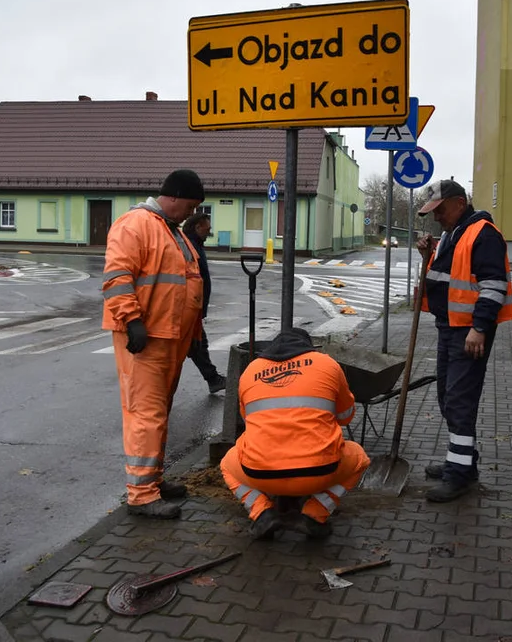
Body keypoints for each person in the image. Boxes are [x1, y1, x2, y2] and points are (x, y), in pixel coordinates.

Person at [102, 169, 207, 519]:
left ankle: (154, 480)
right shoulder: (135, 225)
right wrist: (132, 321)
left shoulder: (171, 231)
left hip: (170, 338)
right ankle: (142, 494)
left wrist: (195, 333)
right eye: (190, 206)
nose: (190, 214)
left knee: (158, 414)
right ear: (174, 196)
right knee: (145, 414)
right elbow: (117, 277)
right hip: (146, 338)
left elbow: (186, 287)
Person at [415, 179, 512, 503]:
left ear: (459, 204)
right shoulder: (452, 234)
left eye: (440, 210)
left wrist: (479, 328)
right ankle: (464, 463)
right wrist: (428, 254)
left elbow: (493, 287)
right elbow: (448, 277)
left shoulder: (483, 234)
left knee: (459, 401)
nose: (436, 217)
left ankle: (457, 476)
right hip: (450, 328)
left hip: (468, 332)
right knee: (447, 395)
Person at [219, 327, 371, 540]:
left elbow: (249, 421)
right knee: (360, 458)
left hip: (260, 473)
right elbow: (345, 416)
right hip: (319, 473)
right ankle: (314, 514)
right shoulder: (326, 364)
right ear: (307, 347)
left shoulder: (251, 370)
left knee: (227, 463)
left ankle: (262, 513)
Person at [181, 211, 227, 395]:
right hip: (188, 308)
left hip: (195, 308)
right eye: (207, 229)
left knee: (197, 345)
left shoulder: (195, 245)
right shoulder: (188, 246)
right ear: (197, 227)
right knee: (195, 345)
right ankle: (213, 378)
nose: (209, 232)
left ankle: (213, 379)